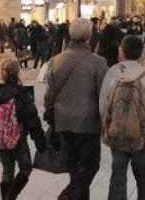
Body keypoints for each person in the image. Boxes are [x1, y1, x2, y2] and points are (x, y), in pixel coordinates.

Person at [44, 18, 108, 200]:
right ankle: (67, 195)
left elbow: (49, 94)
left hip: (63, 121)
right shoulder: (98, 62)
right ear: (89, 37)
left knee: (74, 167)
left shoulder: (56, 61)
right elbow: (103, 95)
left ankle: (74, 195)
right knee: (91, 165)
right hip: (88, 122)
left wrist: (51, 112)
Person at [99, 35, 145, 200]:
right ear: (141, 54)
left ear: (122, 52)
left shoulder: (113, 75)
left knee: (118, 177)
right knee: (143, 179)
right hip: (139, 136)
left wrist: (106, 126)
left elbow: (104, 105)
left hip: (117, 135)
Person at [0, 59, 46, 200]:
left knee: (7, 171)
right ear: (17, 73)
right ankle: (10, 197)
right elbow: (32, 119)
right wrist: (40, 141)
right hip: (18, 137)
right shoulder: (22, 93)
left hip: (1, 137)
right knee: (26, 167)